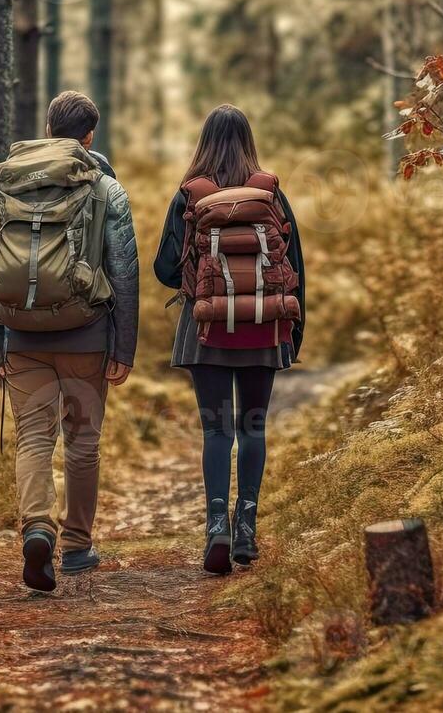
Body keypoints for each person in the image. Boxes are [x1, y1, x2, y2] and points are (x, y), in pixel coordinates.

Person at [0, 90, 138, 592]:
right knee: (83, 442)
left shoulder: (2, 190)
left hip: (21, 337)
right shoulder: (106, 189)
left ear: (47, 128)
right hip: (86, 336)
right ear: (89, 136)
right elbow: (123, 272)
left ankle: (36, 527)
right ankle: (77, 546)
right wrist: (123, 349)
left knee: (35, 438)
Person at [154, 105, 304, 574]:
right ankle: (246, 530)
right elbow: (295, 268)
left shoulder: (190, 195)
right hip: (262, 329)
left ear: (204, 142)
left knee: (217, 431)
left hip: (207, 333)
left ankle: (216, 524)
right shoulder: (269, 192)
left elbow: (162, 269)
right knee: (253, 429)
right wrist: (291, 335)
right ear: (248, 141)